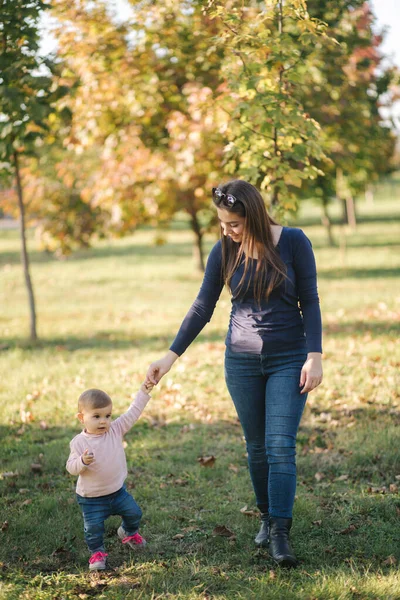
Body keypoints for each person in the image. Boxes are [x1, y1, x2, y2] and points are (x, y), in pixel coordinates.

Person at [145, 179, 323, 568]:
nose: (228, 231)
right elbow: (202, 307)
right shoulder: (224, 250)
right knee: (256, 447)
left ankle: (280, 531)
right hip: (240, 363)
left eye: (235, 225)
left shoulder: (293, 242)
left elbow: (309, 299)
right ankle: (266, 515)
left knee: (280, 446)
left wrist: (315, 355)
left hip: (289, 358)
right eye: (223, 225)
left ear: (254, 216)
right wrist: (170, 357)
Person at [66, 381, 153, 571]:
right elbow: (71, 467)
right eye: (96, 416)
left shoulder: (115, 430)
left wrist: (143, 393)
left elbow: (132, 413)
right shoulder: (79, 442)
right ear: (82, 418)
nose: (104, 421)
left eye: (107, 415)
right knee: (94, 529)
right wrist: (82, 461)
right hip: (91, 499)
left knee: (134, 513)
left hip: (117, 492)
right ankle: (97, 553)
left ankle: (128, 532)